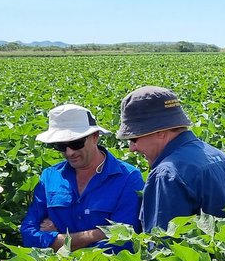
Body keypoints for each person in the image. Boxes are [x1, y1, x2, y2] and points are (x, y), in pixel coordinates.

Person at [116, 86, 225, 232]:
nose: (132, 148)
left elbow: (162, 247)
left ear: (160, 132)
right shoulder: (221, 157)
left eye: (133, 138)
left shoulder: (167, 174)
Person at [20, 104, 144, 251]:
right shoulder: (50, 177)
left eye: (76, 143)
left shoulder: (128, 178)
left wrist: (58, 239)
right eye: (61, 146)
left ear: (95, 137)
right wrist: (96, 234)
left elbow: (124, 238)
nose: (69, 152)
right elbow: (28, 234)